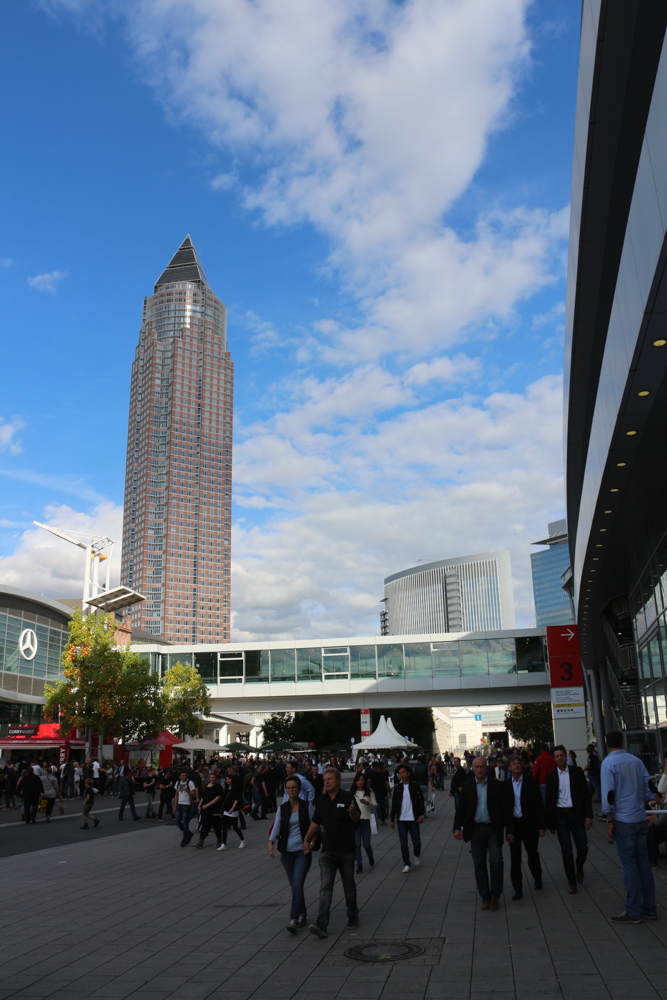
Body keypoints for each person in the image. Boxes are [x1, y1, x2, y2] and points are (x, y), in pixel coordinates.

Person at [601, 729, 656, 923]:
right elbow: (650, 791)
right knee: (643, 864)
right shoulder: (636, 761)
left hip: (623, 821)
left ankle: (633, 911)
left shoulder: (608, 763)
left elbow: (609, 795)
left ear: (607, 743)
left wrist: (609, 820)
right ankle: (650, 908)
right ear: (622, 742)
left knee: (629, 867)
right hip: (640, 819)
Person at [303, 768, 360, 938]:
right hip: (327, 851)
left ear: (338, 781)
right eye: (325, 779)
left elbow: (357, 818)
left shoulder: (348, 797)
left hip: (346, 850)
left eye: (329, 779)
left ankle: (353, 915)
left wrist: (353, 813)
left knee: (348, 886)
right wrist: (307, 839)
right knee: (325, 888)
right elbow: (316, 822)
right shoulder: (322, 800)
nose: (326, 782)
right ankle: (322, 924)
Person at [453, 755, 512, 910]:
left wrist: (509, 831)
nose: (479, 769)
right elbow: (461, 809)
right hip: (476, 830)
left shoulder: (496, 785)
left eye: (482, 767)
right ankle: (485, 896)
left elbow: (505, 810)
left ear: (487, 768)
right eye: (477, 767)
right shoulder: (468, 786)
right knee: (479, 864)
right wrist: (457, 827)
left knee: (496, 861)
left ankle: (495, 895)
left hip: (493, 829)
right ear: (472, 768)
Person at [268, 775, 314, 933]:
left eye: (294, 787)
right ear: (286, 790)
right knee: (296, 886)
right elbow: (277, 827)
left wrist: (312, 843)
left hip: (303, 851)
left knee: (296, 885)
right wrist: (270, 842)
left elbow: (315, 826)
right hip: (286, 853)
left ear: (299, 789)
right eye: (289, 788)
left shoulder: (307, 806)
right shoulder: (283, 808)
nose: (291, 790)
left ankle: (293, 919)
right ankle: (302, 914)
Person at [545, 745, 592, 894]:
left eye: (562, 755)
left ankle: (579, 867)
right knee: (566, 850)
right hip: (560, 816)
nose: (560, 758)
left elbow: (585, 795)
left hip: (576, 814)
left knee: (583, 846)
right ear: (554, 759)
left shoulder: (576, 772)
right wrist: (550, 823)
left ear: (566, 757)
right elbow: (549, 800)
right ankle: (572, 882)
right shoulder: (551, 776)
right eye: (557, 756)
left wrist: (588, 815)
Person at [503, 754, 545, 900]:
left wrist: (541, 826)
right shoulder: (506, 786)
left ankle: (537, 876)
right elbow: (505, 811)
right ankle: (517, 888)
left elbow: (539, 805)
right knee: (515, 858)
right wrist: (508, 830)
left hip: (529, 824)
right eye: (513, 763)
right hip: (514, 826)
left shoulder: (531, 783)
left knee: (532, 854)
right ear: (509, 768)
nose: (516, 765)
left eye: (518, 763)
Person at [390, 763, 424, 873]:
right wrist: (392, 819)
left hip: (413, 819)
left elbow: (420, 801)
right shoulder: (398, 788)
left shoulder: (415, 786)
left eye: (403, 772)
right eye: (400, 773)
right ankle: (406, 863)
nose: (402, 775)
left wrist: (421, 814)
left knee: (416, 842)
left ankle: (416, 854)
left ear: (408, 773)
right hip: (402, 820)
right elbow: (394, 804)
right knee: (403, 843)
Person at [351, 771, 377, 873]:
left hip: (366, 820)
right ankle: (359, 864)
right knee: (357, 845)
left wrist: (368, 803)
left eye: (362, 780)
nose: (360, 782)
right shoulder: (352, 793)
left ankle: (370, 856)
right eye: (358, 780)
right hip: (355, 821)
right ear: (355, 782)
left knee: (366, 844)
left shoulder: (369, 791)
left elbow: (375, 805)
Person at [194, 774, 223, 849]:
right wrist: (200, 804)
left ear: (216, 779)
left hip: (214, 809)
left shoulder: (218, 787)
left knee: (216, 826)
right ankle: (200, 843)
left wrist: (208, 805)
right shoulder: (206, 786)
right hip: (205, 809)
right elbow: (203, 797)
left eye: (213, 777)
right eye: (211, 777)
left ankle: (219, 841)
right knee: (204, 826)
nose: (212, 779)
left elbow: (218, 797)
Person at [219, 773, 245, 849]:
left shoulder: (235, 788)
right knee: (224, 827)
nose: (227, 780)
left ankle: (242, 840)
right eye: (226, 779)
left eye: (229, 779)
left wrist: (232, 809)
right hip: (226, 810)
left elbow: (236, 799)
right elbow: (224, 800)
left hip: (233, 810)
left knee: (235, 827)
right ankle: (223, 843)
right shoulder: (226, 789)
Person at [174, 770, 197, 846]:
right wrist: (175, 806)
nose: (184, 777)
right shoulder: (178, 783)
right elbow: (176, 795)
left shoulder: (190, 783)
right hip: (179, 804)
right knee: (177, 821)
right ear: (180, 776)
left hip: (187, 804)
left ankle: (185, 839)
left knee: (185, 822)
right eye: (183, 775)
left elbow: (193, 795)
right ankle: (188, 833)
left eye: (185, 775)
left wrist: (187, 790)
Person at [369, 760, 391, 825]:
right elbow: (387, 784)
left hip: (374, 792)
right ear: (382, 768)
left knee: (376, 805)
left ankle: (377, 818)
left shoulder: (373, 774)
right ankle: (382, 819)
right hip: (381, 792)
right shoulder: (383, 775)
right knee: (382, 806)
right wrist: (389, 792)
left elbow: (369, 781)